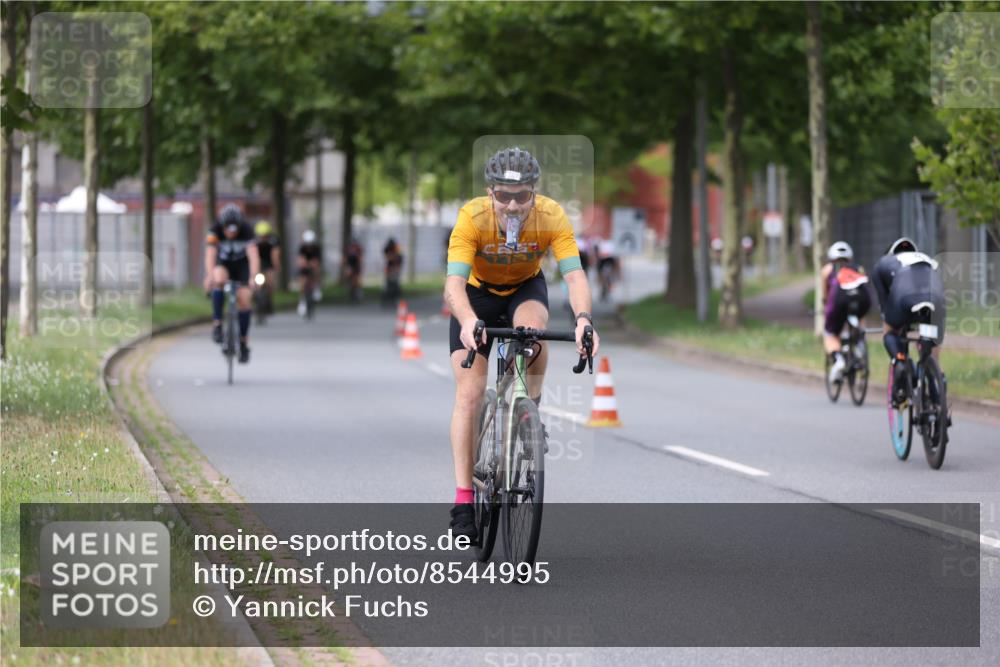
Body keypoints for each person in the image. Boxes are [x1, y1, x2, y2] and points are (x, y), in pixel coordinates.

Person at [444, 146, 600, 539]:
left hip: (524, 288)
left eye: (522, 196)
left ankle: (529, 409)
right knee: (471, 393)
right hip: (477, 295)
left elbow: (575, 276)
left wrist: (584, 320)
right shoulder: (472, 218)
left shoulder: (551, 216)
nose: (512, 206)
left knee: (533, 332)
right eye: (503, 196)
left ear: (535, 192)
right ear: (489, 191)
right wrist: (467, 321)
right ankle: (464, 499)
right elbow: (453, 284)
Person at [871, 237, 947, 406]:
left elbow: (885, 305)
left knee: (890, 331)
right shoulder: (927, 259)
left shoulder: (883, 263)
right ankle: (937, 384)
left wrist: (893, 320)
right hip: (934, 301)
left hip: (903, 299)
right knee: (931, 350)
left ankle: (899, 360)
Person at [203, 204, 260, 363]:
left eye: (235, 230)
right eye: (229, 229)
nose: (232, 233)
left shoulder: (247, 230)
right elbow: (210, 255)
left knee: (245, 299)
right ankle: (217, 324)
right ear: (223, 226)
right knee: (218, 277)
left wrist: (254, 277)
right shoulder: (215, 230)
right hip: (224, 264)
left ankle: (243, 342)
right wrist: (209, 276)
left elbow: (254, 256)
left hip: (242, 266)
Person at [821, 241, 871, 383]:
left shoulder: (828, 270)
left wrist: (825, 305)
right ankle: (860, 342)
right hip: (862, 301)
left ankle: (838, 360)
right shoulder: (858, 268)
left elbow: (826, 295)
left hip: (838, 301)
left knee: (829, 333)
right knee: (858, 315)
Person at [254, 221, 281, 311]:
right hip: (258, 261)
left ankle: (269, 300)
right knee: (256, 281)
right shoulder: (254, 241)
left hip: (269, 262)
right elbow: (252, 255)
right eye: (261, 236)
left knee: (270, 281)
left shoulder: (274, 240)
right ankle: (256, 296)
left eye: (265, 236)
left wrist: (276, 266)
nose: (263, 238)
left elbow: (275, 254)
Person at [297, 230, 322, 316]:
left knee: (317, 270)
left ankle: (317, 287)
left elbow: (317, 260)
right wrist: (303, 263)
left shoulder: (317, 248)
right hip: (305, 266)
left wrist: (313, 264)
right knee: (303, 283)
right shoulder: (302, 248)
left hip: (313, 266)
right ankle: (302, 300)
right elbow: (300, 259)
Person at [596, 238, 620, 302]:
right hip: (602, 261)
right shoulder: (600, 241)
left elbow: (615, 254)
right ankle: (603, 291)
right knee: (602, 278)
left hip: (609, 260)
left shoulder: (612, 242)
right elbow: (598, 253)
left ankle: (608, 292)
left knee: (609, 278)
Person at [382, 237, 404, 307]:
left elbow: (400, 258)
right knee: (387, 282)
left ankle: (395, 295)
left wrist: (397, 267)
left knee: (395, 282)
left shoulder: (397, 248)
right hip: (389, 267)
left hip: (395, 266)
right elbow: (386, 258)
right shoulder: (387, 249)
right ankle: (387, 296)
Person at [344, 236, 364, 303]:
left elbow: (360, 259)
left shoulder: (358, 249)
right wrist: (346, 267)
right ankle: (349, 286)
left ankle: (358, 290)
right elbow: (345, 258)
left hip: (356, 265)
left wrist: (359, 266)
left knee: (357, 279)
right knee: (348, 274)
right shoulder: (348, 249)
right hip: (350, 265)